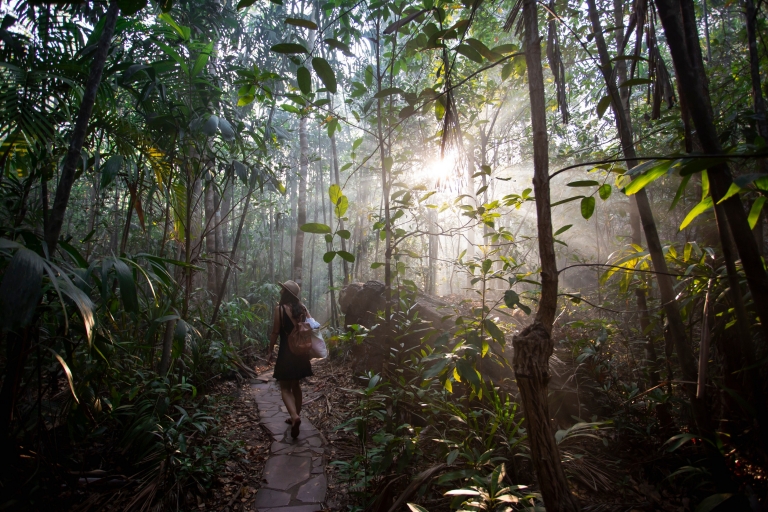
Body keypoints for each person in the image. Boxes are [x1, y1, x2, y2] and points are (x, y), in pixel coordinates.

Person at [268, 280, 313, 438]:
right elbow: (311, 325)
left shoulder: (279, 309)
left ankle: (294, 416)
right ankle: (295, 416)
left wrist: (269, 351)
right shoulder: (302, 308)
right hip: (301, 352)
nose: (280, 291)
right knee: (296, 386)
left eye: (282, 290)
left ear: (285, 293)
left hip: (286, 353)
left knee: (285, 388)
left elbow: (275, 332)